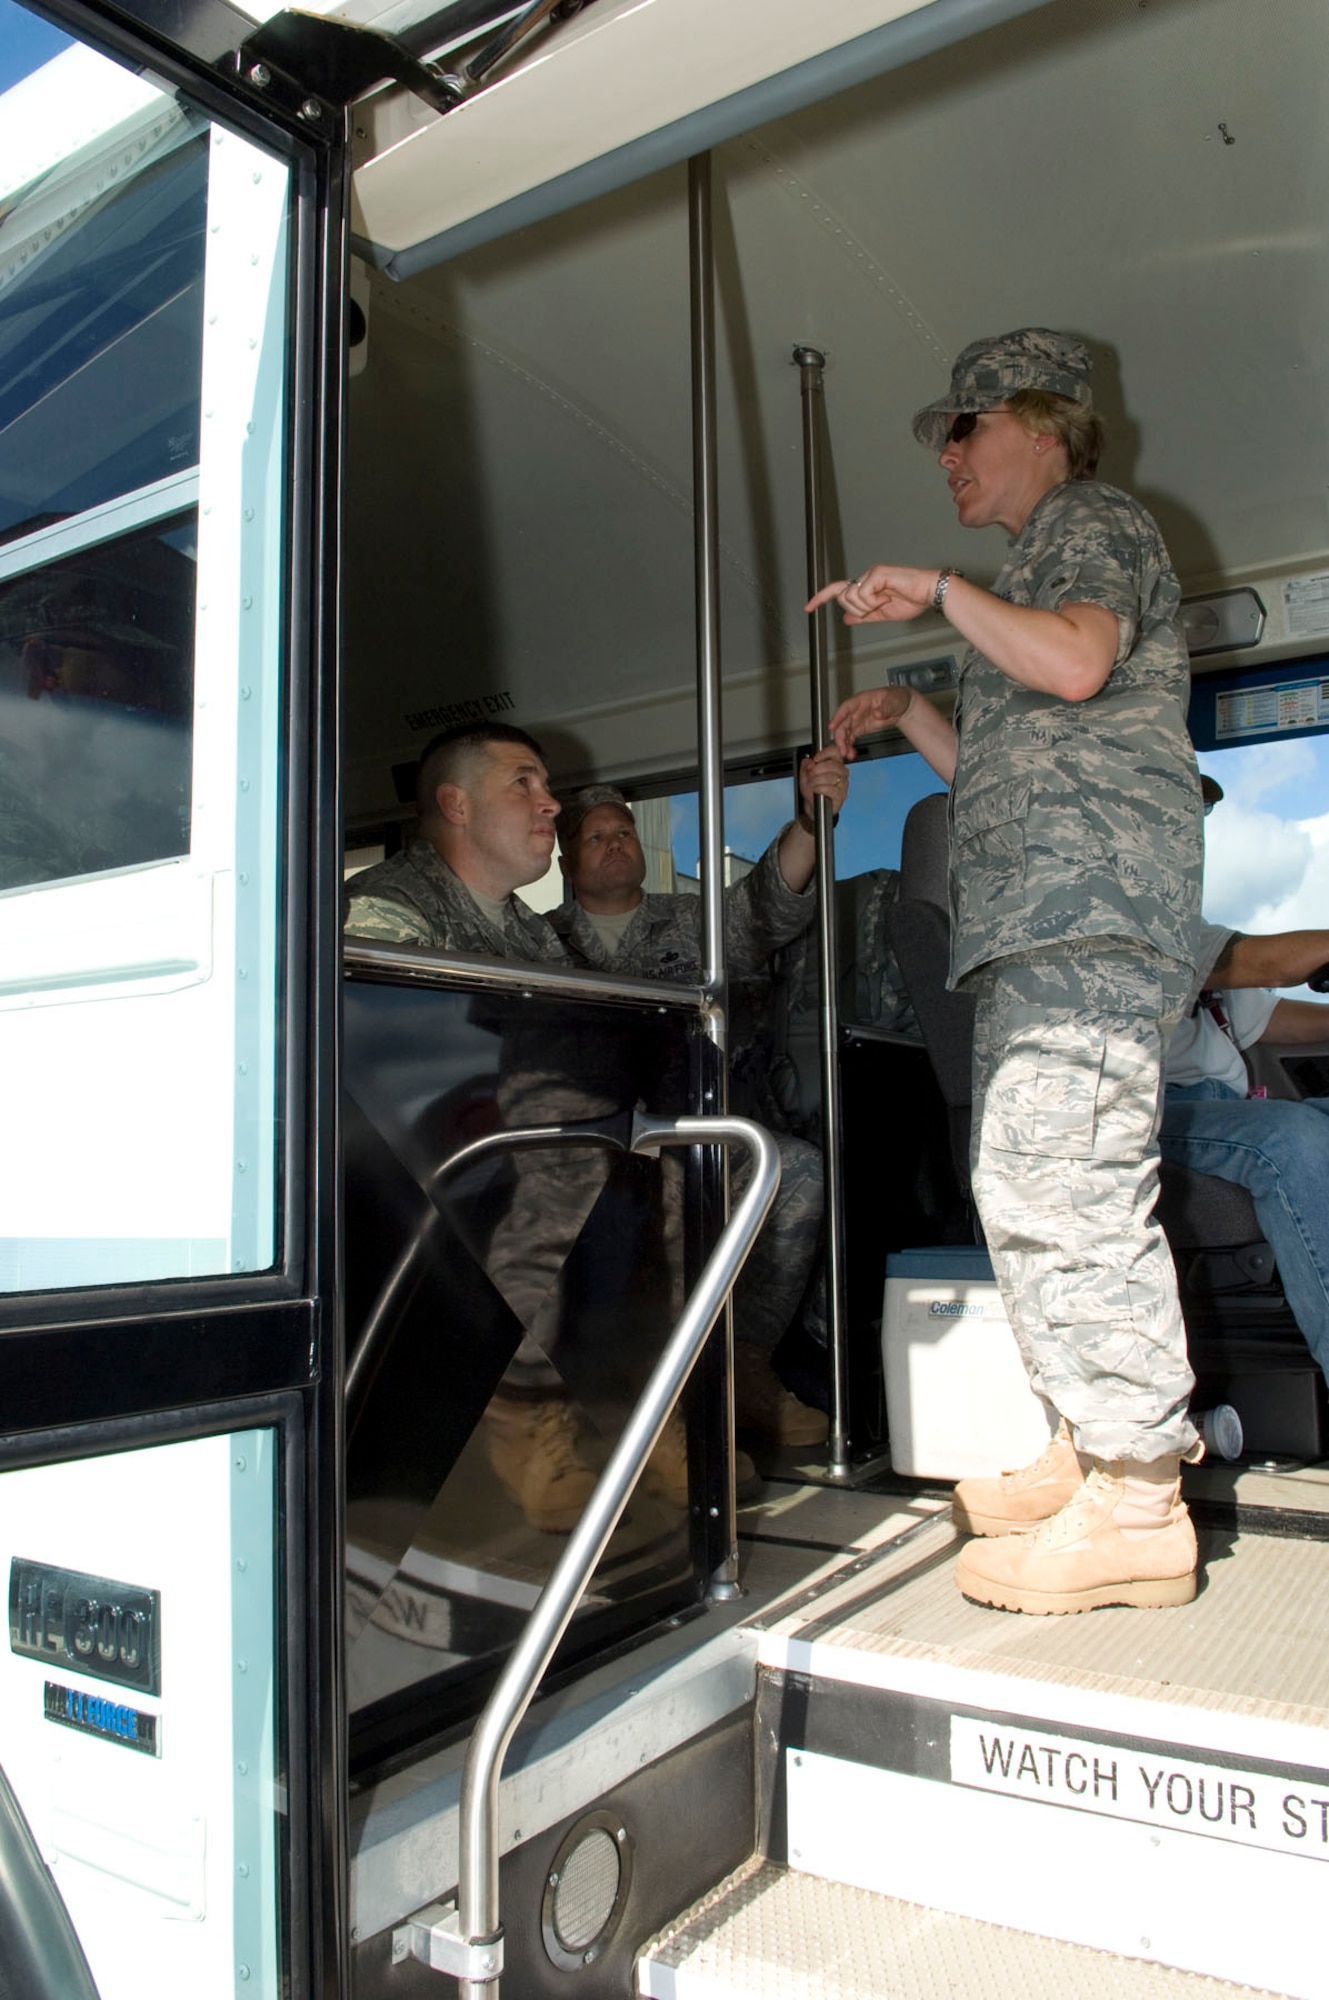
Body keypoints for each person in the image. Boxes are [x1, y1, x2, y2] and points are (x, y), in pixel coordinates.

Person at [809, 327, 1205, 1615]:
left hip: (1087, 918)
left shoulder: (1089, 519)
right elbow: (1015, 769)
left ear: (1037, 424)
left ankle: (1139, 1493)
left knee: (1065, 1175)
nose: (947, 456)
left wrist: (935, 590)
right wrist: (912, 713)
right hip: (1050, 914)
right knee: (1025, 1173)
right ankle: (1090, 1443)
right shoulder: (1032, 572)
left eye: (961, 432)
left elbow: (1081, 658)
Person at [345, 721, 698, 1531]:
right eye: (525, 784)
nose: (550, 805)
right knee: (571, 1173)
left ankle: (641, 1403)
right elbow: (395, 1061)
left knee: (680, 1174)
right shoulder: (386, 910)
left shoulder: (528, 929)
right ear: (455, 804)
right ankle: (525, 1422)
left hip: (512, 1126)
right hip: (407, 1155)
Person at [552, 752, 851, 1451]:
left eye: (623, 831)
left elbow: (770, 904)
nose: (614, 843)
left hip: (696, 1128)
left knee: (796, 1169)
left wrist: (808, 820)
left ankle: (744, 1364)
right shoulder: (539, 940)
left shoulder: (698, 919)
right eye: (594, 837)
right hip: (591, 1145)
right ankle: (638, 1398)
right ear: (566, 863)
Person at [1161, 885, 1329, 1386]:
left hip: (1222, 1108)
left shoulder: (1184, 922)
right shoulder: (1128, 918)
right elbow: (1268, 962)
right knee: (1289, 1136)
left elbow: (1263, 1017)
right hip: (1149, 1113)